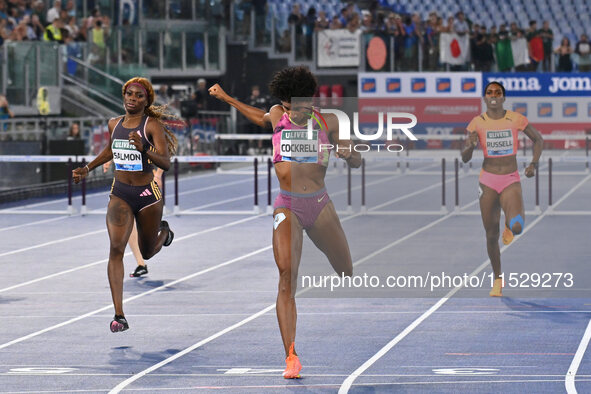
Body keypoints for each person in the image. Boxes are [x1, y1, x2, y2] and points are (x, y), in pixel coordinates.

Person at [209, 66, 361, 378]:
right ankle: (291, 355)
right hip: (287, 205)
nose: (302, 110)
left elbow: (357, 157)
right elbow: (256, 115)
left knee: (346, 269)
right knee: (286, 276)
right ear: (286, 103)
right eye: (295, 105)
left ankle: (328, 252)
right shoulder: (278, 114)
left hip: (319, 205)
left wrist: (350, 153)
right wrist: (226, 97)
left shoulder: (329, 121)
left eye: (307, 103)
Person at [72, 77, 177, 332]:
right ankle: (119, 315)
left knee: (148, 250)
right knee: (116, 247)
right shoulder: (114, 123)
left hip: (146, 195)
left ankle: (165, 233)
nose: (132, 98)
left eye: (138, 96)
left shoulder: (151, 126)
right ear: (123, 96)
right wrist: (88, 168)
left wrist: (144, 149)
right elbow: (111, 149)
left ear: (146, 101)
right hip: (119, 192)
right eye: (129, 94)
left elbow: (164, 162)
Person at [461, 82, 543, 297]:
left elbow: (538, 139)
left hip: (509, 178)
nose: (494, 95)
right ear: (485, 98)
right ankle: (498, 279)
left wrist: (533, 163)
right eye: (490, 92)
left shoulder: (515, 119)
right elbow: (464, 158)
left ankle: (509, 226)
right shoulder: (476, 123)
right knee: (490, 235)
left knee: (516, 227)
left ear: (503, 98)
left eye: (498, 92)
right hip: (487, 180)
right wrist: (469, 146)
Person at [103, 161, 165, 278]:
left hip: (145, 182)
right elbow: (118, 145)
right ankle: (141, 263)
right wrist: (109, 160)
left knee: (148, 247)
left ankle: (165, 233)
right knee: (127, 222)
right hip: (125, 183)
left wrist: (158, 174)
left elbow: (166, 150)